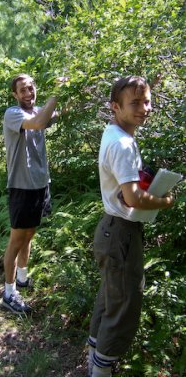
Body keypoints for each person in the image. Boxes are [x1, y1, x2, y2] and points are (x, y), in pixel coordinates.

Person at [87, 76, 175, 377]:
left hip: (111, 230)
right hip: (122, 234)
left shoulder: (112, 133)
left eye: (147, 101)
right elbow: (133, 197)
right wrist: (164, 202)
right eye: (135, 102)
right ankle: (101, 370)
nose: (144, 108)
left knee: (110, 300)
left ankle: (93, 363)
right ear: (115, 106)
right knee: (123, 308)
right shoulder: (123, 143)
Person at [2, 73, 66, 314]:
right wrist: (57, 92)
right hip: (22, 186)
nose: (29, 93)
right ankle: (8, 293)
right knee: (16, 239)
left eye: (31, 88)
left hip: (40, 183)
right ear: (15, 95)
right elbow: (39, 122)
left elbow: (54, 114)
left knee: (29, 234)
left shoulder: (38, 110)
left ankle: (22, 278)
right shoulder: (13, 114)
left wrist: (78, 92)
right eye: (23, 90)